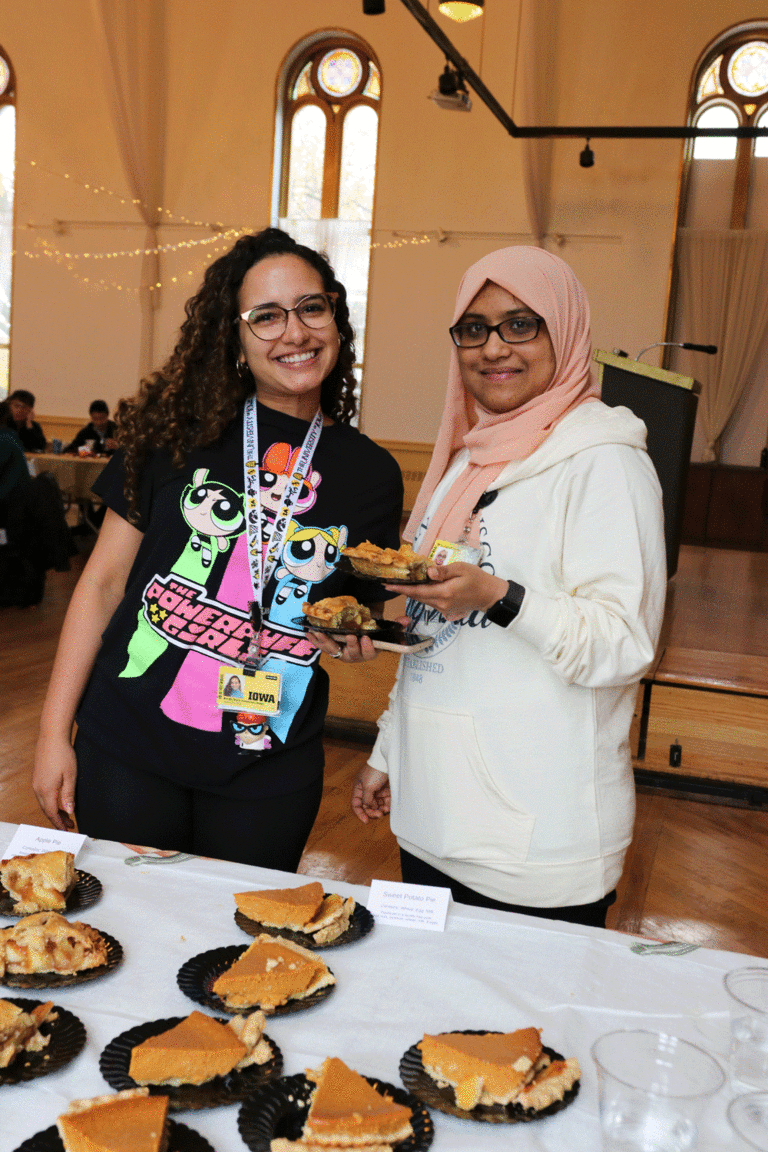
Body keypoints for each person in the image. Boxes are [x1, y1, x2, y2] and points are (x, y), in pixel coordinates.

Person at [32, 227, 403, 869]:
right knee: (127, 935)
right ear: (233, 338)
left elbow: (359, 615)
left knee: (236, 946)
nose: (295, 333)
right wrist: (50, 735)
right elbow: (101, 584)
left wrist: (355, 639)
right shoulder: (174, 435)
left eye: (312, 308)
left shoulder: (371, 474)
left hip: (269, 765)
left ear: (337, 321)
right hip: (129, 745)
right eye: (266, 317)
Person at [345, 246, 666, 928]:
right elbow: (436, 636)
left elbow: (623, 643)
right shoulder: (468, 457)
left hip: (536, 842)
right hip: (433, 818)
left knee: (519, 1038)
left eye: (522, 325)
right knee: (428, 1029)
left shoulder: (603, 461)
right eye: (474, 327)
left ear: (566, 331)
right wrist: (388, 751)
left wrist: (499, 597)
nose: (494, 347)